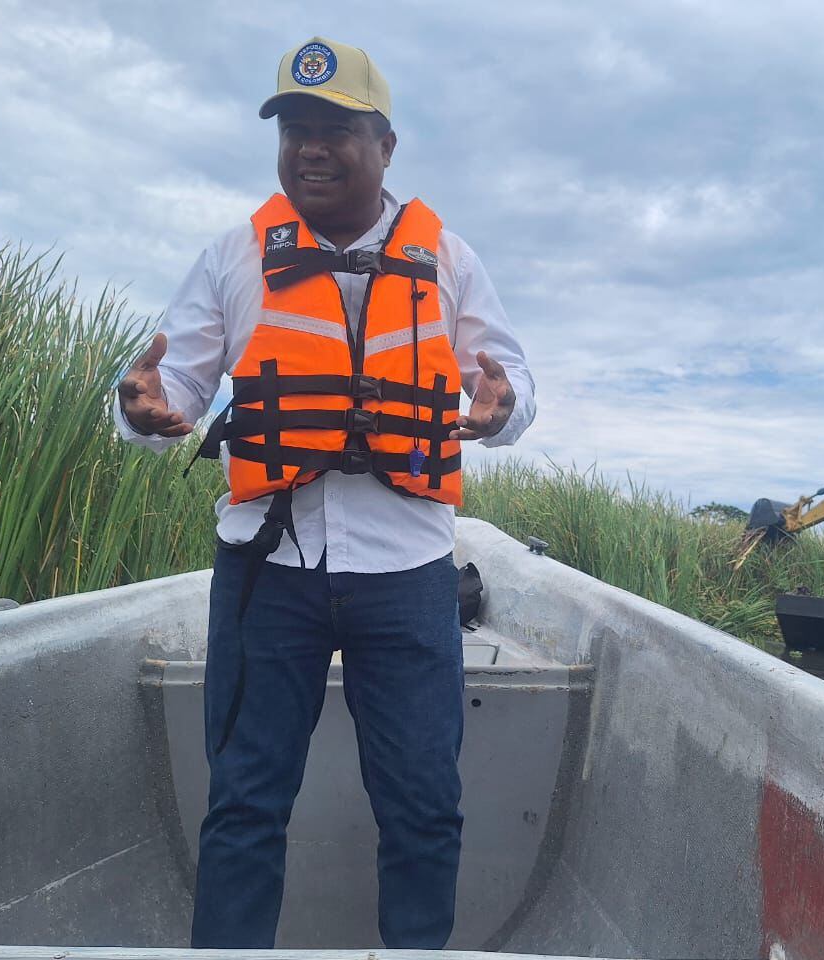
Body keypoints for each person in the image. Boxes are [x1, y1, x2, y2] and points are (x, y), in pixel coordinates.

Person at [114, 37, 535, 950]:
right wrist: (140, 407)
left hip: (409, 572)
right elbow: (171, 384)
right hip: (269, 571)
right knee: (245, 804)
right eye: (294, 128)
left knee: (424, 809)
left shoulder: (451, 259)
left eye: (334, 129)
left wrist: (501, 408)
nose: (309, 146)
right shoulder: (235, 256)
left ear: (386, 145)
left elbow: (511, 383)